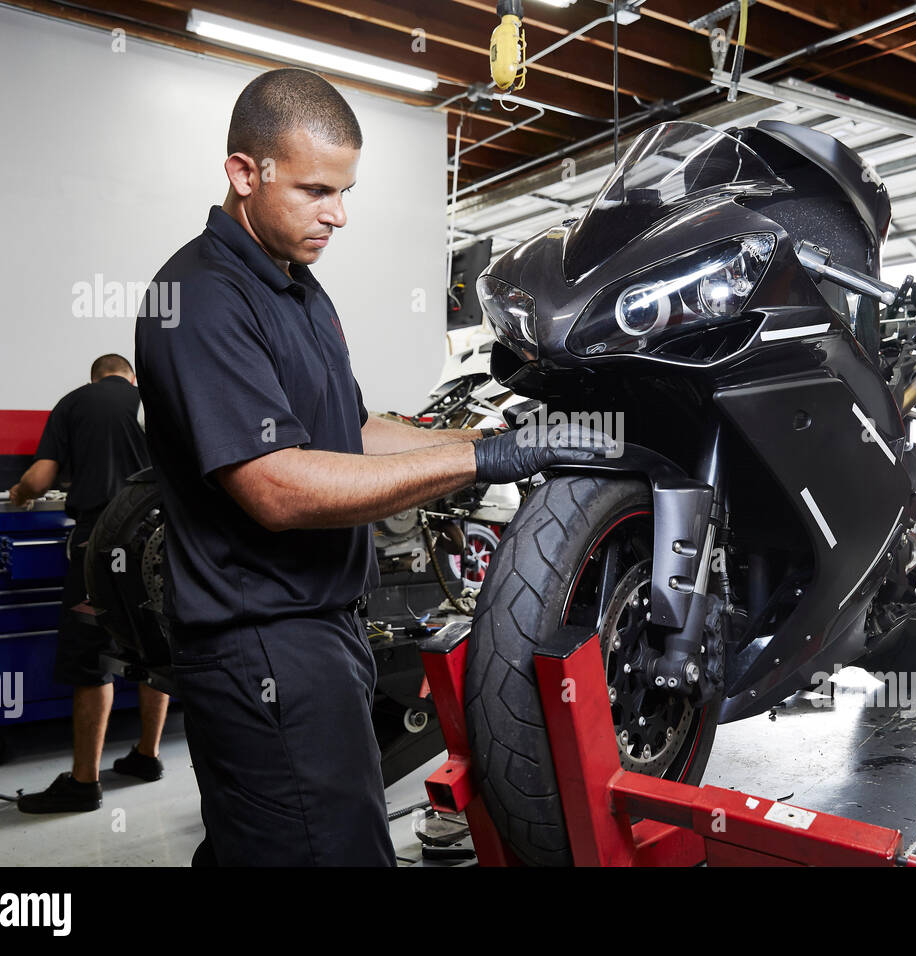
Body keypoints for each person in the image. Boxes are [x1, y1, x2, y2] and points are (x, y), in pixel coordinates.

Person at [134, 68, 610, 867]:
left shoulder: (299, 290)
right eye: (318, 190)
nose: (339, 215)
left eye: (346, 190)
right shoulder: (198, 297)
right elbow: (277, 486)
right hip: (260, 647)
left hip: (325, 629)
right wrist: (484, 462)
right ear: (244, 173)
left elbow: (353, 432)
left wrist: (493, 439)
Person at [12, 354, 171, 813]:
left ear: (95, 376)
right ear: (131, 376)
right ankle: (148, 755)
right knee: (154, 646)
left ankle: (84, 783)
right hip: (159, 547)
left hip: (98, 546)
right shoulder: (157, 400)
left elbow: (40, 477)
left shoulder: (74, 402)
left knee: (89, 654)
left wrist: (22, 493)